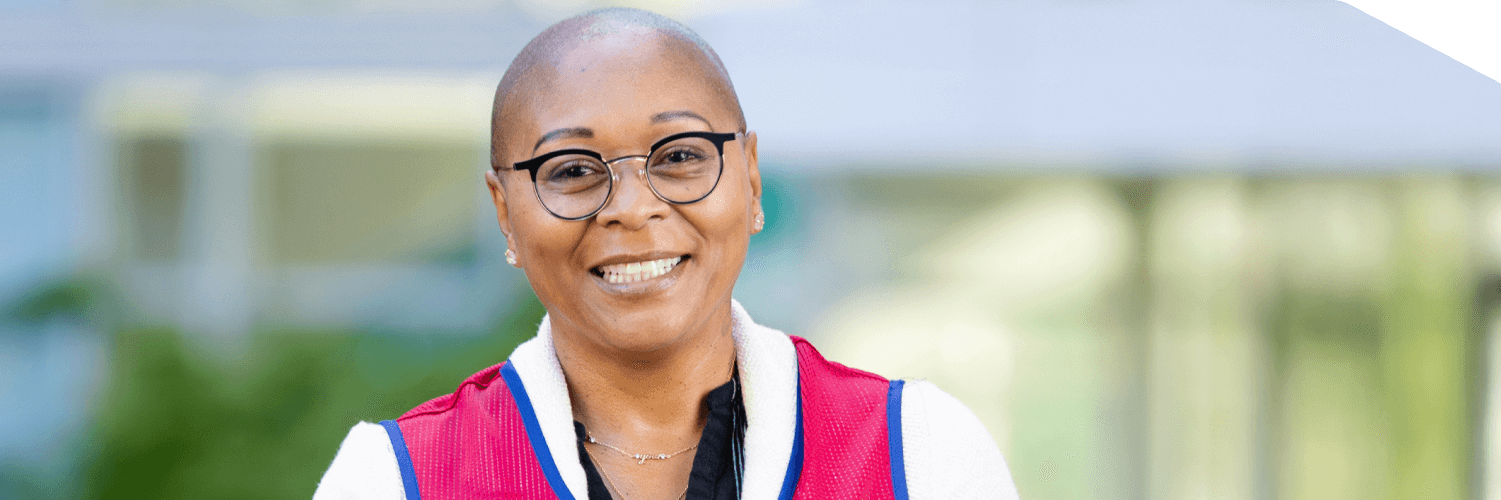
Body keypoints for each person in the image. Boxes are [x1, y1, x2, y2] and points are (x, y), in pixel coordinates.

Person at [315, 8, 1017, 500]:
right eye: (572, 169)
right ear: (505, 212)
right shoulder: (395, 479)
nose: (631, 206)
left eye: (680, 156)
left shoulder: (917, 452)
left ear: (750, 179)